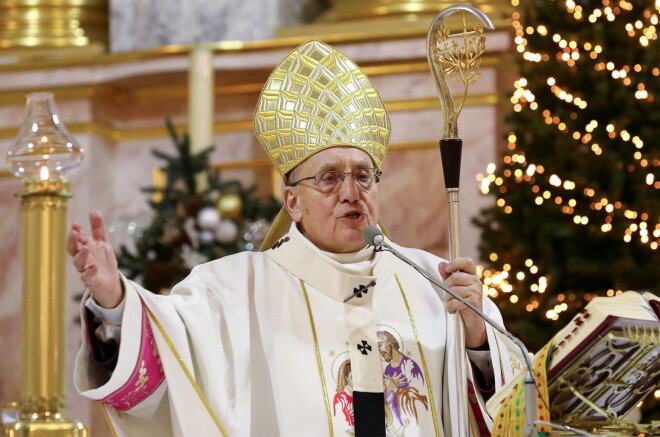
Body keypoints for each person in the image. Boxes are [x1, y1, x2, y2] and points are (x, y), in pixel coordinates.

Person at [70, 40, 524, 437]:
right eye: (328, 179)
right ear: (292, 202)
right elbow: (164, 355)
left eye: (363, 176)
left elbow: (508, 410)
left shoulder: (432, 281)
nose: (351, 193)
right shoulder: (232, 289)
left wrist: (478, 336)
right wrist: (115, 303)